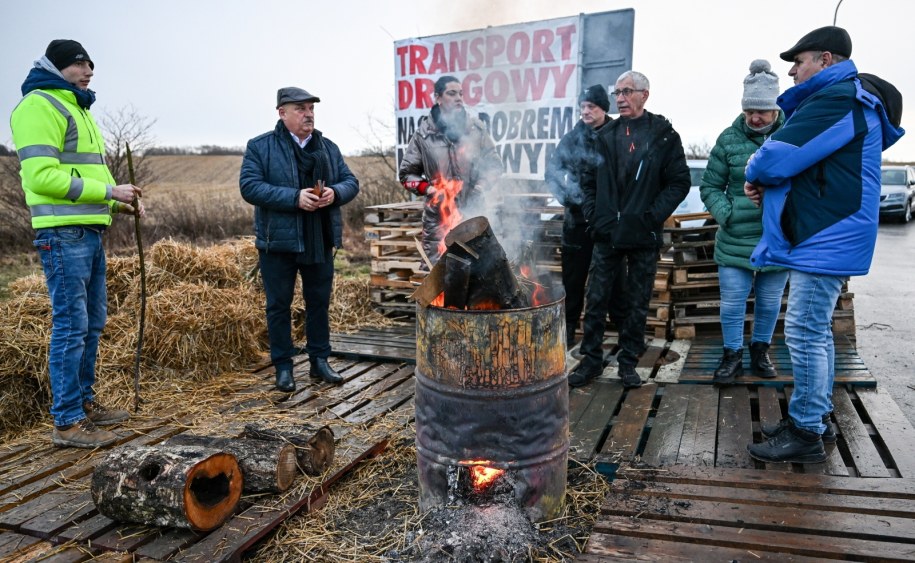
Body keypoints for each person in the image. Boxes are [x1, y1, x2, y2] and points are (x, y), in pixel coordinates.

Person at [744, 27, 904, 463]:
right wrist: (771, 187)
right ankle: (817, 415)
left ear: (826, 60)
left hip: (825, 236)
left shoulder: (839, 98)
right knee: (816, 331)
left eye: (800, 61)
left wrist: (756, 172)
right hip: (825, 233)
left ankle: (806, 432)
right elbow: (812, 169)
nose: (793, 71)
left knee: (805, 331)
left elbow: (777, 156)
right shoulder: (842, 98)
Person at [10, 39, 143, 448]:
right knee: (71, 327)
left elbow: (79, 176)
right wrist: (110, 190)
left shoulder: (76, 107)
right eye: (79, 64)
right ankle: (66, 423)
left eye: (90, 64)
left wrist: (115, 203)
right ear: (56, 66)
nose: (88, 71)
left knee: (91, 324)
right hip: (62, 235)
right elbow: (40, 179)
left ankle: (84, 405)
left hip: (86, 232)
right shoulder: (39, 105)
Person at [569, 71, 691, 388]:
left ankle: (628, 362)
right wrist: (595, 215)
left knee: (637, 302)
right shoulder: (605, 136)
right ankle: (591, 360)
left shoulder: (663, 134)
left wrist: (652, 216)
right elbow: (587, 182)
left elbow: (679, 182)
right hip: (606, 232)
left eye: (627, 91)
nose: (620, 98)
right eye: (617, 92)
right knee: (595, 299)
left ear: (644, 95)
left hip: (643, 234)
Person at [240, 87, 360, 392]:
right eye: (300, 109)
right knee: (278, 305)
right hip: (277, 243)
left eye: (311, 109)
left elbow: (351, 182)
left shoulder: (328, 147)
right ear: (282, 113)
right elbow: (250, 187)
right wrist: (295, 198)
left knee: (318, 303)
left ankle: (320, 361)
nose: (308, 114)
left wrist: (336, 193)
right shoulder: (261, 147)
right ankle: (284, 366)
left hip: (319, 238)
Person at [700, 60, 788, 385]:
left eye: (762, 110)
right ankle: (731, 356)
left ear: (776, 108)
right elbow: (709, 186)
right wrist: (729, 213)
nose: (755, 117)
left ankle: (760, 350)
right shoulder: (728, 140)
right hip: (736, 237)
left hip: (778, 238)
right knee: (733, 301)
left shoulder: (794, 136)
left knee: (768, 302)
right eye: (750, 109)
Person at [545, 85, 629, 348]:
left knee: (616, 281)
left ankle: (624, 333)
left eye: (591, 106)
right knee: (573, 278)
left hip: (609, 222)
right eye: (582, 106)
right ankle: (568, 332)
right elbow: (552, 173)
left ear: (604, 108)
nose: (586, 111)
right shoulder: (571, 139)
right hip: (577, 222)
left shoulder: (620, 135)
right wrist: (569, 199)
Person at [398, 75, 503, 265]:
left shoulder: (476, 130)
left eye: (461, 94)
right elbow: (406, 175)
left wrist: (480, 187)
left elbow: (494, 165)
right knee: (438, 279)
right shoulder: (423, 135)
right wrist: (429, 189)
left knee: (477, 276)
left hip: (473, 215)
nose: (459, 98)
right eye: (452, 93)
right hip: (438, 221)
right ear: (438, 97)